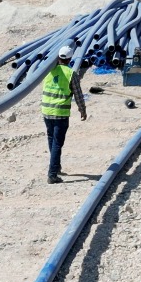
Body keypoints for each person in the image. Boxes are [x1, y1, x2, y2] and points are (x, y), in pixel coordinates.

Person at [41, 44, 87, 184]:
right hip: (60, 112)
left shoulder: (49, 70)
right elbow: (78, 94)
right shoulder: (70, 73)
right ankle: (52, 174)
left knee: (51, 139)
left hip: (46, 111)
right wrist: (82, 110)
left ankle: (56, 166)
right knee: (57, 143)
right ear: (70, 59)